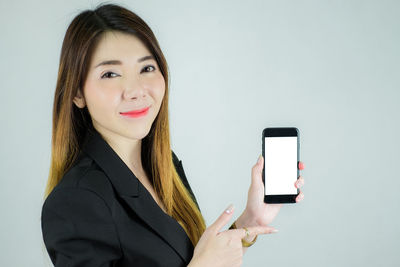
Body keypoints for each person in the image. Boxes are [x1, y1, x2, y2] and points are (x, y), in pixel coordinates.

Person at [41, 3, 306, 267]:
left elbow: (192, 259)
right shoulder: (76, 200)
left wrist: (251, 220)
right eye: (110, 74)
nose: (135, 90)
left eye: (146, 68)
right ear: (77, 93)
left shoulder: (163, 162)